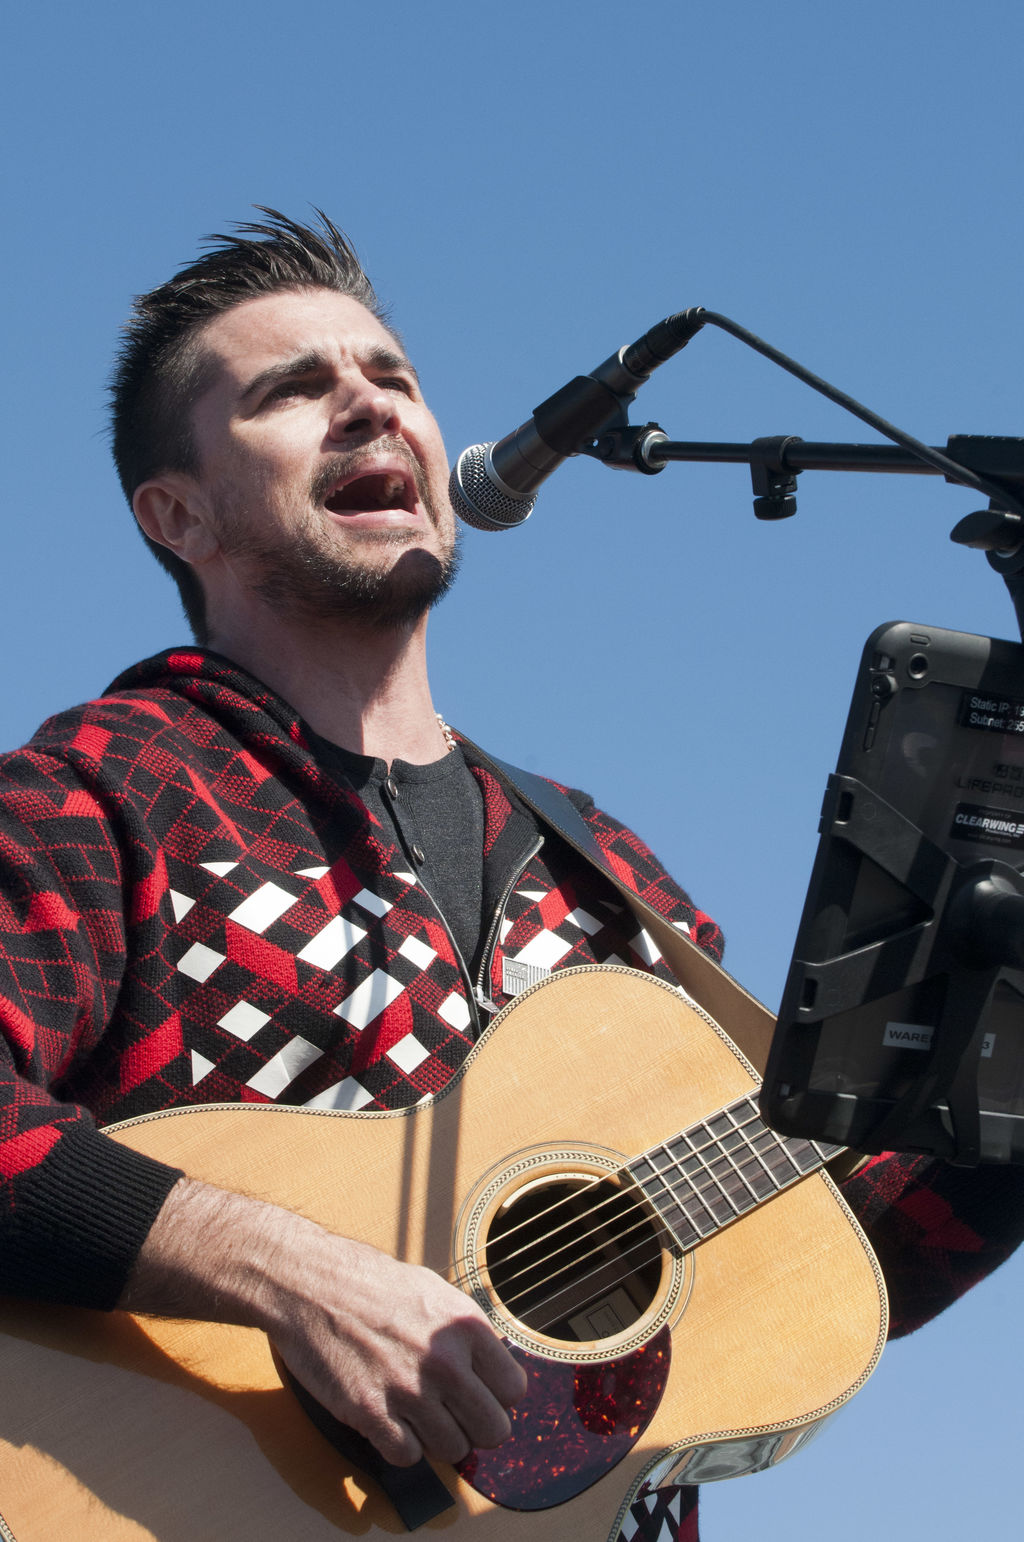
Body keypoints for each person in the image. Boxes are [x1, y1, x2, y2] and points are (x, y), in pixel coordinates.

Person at [0, 209, 1022, 1542]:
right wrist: (285, 1269)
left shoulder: (613, 876)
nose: (372, 406)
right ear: (177, 511)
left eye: (395, 379)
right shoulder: (99, 793)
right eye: (297, 390)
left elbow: (828, 1259)